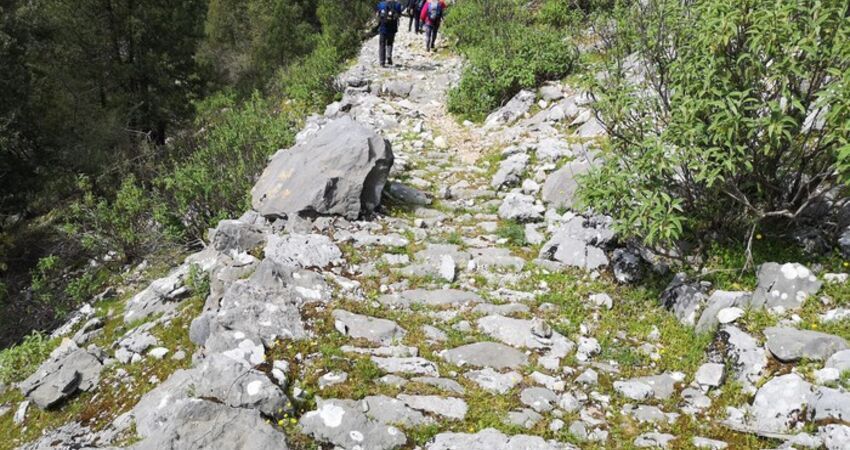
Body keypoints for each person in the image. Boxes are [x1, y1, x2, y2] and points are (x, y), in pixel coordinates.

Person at [376, 0, 403, 67]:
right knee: (390, 43)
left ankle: (382, 62)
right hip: (393, 28)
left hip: (383, 28)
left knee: (382, 44)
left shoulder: (381, 4)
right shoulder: (397, 4)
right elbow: (399, 15)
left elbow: (377, 14)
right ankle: (389, 56)